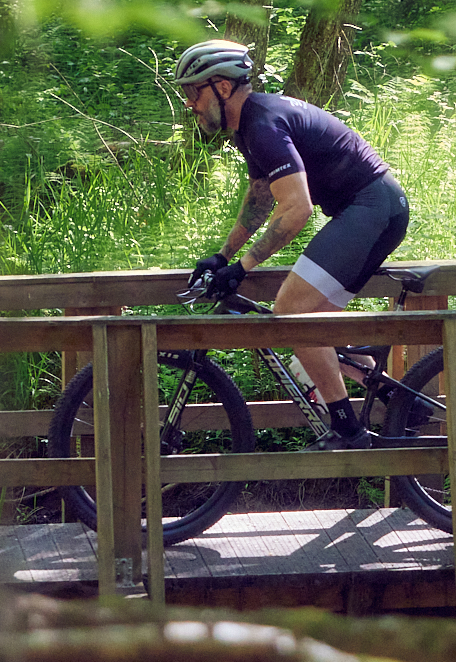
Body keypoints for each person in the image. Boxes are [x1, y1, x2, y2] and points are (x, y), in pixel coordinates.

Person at [174, 38, 410, 450]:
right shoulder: (250, 126)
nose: (191, 105)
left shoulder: (263, 125)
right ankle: (399, 400)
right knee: (315, 328)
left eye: (194, 93)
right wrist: (223, 256)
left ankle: (348, 432)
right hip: (372, 209)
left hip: (372, 207)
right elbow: (262, 199)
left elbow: (296, 209)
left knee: (291, 313)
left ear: (222, 88)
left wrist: (241, 269)